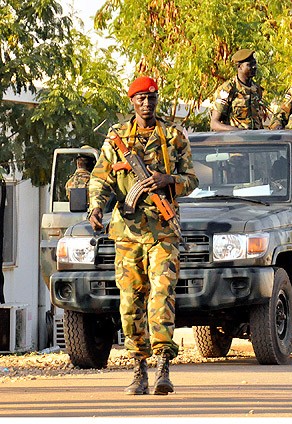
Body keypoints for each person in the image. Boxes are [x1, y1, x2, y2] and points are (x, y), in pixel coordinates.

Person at [87, 76, 198, 395]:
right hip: (128, 233)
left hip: (164, 232)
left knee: (162, 294)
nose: (147, 104)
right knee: (130, 300)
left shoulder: (174, 136)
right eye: (140, 99)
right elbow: (100, 179)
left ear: (157, 100)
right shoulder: (117, 138)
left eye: (151, 98)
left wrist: (168, 179)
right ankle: (138, 369)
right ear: (132, 102)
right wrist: (95, 207)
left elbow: (192, 181)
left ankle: (163, 366)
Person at [210, 49, 265, 130]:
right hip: (235, 140)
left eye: (255, 64)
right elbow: (214, 123)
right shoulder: (228, 89)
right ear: (239, 67)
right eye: (250, 65)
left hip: (255, 139)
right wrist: (235, 131)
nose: (254, 67)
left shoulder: (256, 89)